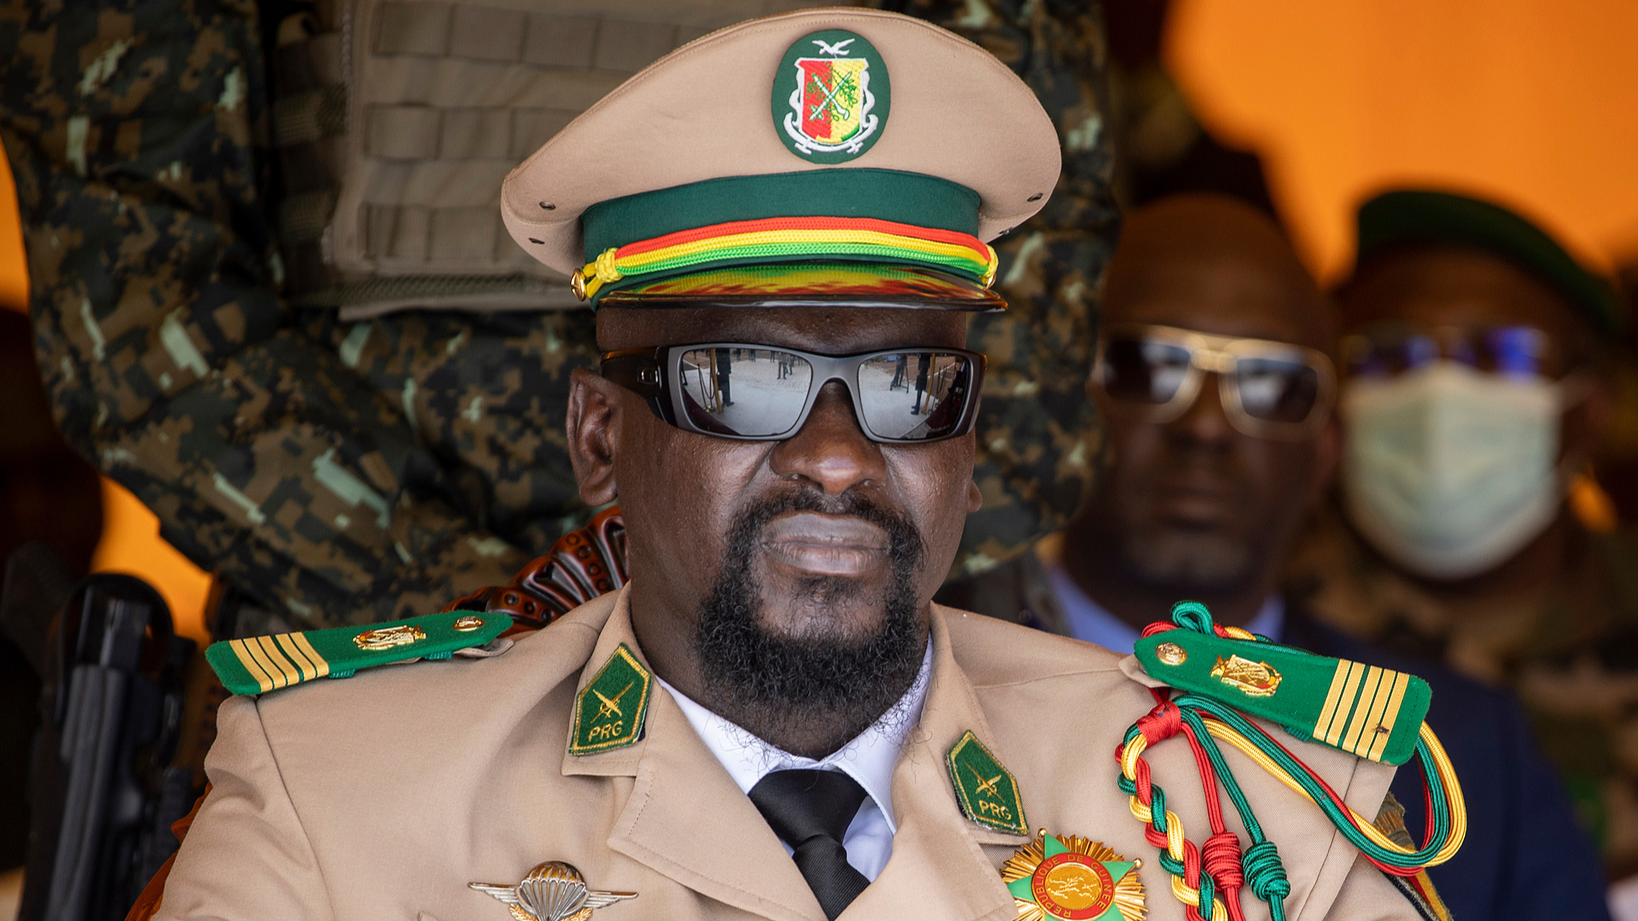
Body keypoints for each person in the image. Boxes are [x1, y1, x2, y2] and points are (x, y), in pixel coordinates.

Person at [151, 16, 1444, 921]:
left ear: (968, 434)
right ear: (601, 436)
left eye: (903, 386)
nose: (836, 458)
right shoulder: (339, 792)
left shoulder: (1236, 802)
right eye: (746, 379)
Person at [0, 0, 1114, 638]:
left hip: (841, 655)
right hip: (379, 644)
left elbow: (1029, 340)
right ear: (592, 427)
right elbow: (141, 312)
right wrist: (508, 611)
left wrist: (757, 618)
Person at [939, 194, 1610, 920]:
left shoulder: (1458, 751)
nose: (1205, 426)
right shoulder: (919, 685)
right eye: (1145, 366)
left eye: (1272, 384)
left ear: (1328, 447)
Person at [1280, 189, 1638, 888]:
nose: (1439, 398)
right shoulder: (1247, 630)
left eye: (1499, 354)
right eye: (1388, 357)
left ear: (1590, 409)